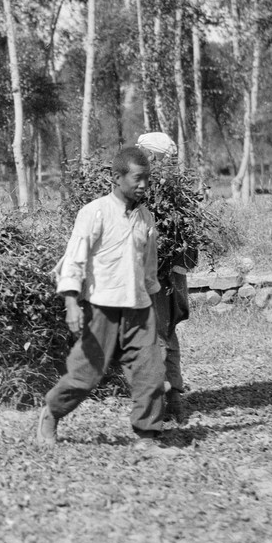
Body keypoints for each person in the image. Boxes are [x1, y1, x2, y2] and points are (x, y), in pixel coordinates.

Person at [36, 145, 165, 445]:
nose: (144, 184)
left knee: (151, 372)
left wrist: (155, 310)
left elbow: (149, 270)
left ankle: (147, 434)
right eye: (137, 178)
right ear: (116, 178)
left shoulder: (146, 219)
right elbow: (74, 259)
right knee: (86, 375)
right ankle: (52, 413)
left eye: (147, 178)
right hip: (101, 308)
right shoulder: (94, 213)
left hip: (139, 309)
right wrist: (71, 303)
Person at [135, 131, 197, 424]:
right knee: (165, 334)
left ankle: (163, 404)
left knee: (159, 335)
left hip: (161, 278)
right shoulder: (171, 192)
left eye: (147, 154)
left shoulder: (160, 194)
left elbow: (189, 247)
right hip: (167, 275)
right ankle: (173, 400)